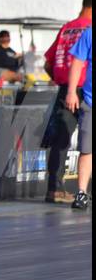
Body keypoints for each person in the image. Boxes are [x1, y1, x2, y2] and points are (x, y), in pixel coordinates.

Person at [43, 0, 92, 204]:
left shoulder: (66, 28)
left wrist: (61, 81)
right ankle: (84, 190)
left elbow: (48, 62)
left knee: (60, 139)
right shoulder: (89, 29)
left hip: (66, 89)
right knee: (88, 143)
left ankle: (54, 189)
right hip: (87, 89)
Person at [64, 26, 92, 210]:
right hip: (90, 101)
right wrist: (71, 91)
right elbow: (77, 62)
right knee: (87, 148)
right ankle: (82, 192)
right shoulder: (89, 33)